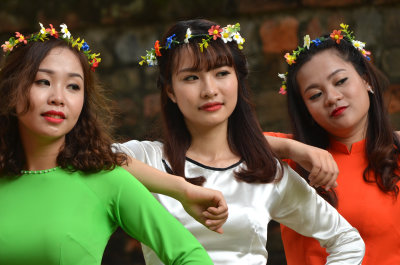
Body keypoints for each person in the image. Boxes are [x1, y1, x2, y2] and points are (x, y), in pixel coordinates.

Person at [114, 19, 365, 265]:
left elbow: (347, 241)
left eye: (221, 73)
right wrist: (181, 190)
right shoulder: (147, 159)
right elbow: (86, 155)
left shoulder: (264, 171)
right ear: (171, 91)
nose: (209, 90)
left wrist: (288, 147)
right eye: (191, 78)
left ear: (237, 80)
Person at [0, 22, 219, 265]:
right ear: (12, 88)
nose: (58, 98)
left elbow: (190, 256)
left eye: (73, 86)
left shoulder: (105, 180)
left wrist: (182, 189)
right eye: (43, 82)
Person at [267, 23, 400, 264]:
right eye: (315, 95)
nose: (332, 98)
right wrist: (293, 149)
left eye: (340, 81)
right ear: (306, 110)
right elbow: (221, 143)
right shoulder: (290, 158)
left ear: (366, 80)